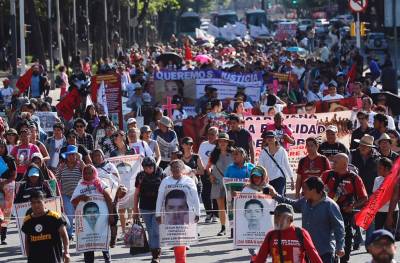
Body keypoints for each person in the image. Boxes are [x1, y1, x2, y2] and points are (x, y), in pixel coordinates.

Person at [269, 176, 345, 262]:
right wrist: (275, 196)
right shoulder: (304, 201)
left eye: (305, 189)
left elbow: (339, 228)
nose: (302, 192)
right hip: (306, 251)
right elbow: (292, 205)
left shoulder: (330, 205)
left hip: (324, 253)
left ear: (314, 190)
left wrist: (340, 247)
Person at [321, 153, 368, 263]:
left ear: (344, 164)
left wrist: (353, 206)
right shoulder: (326, 175)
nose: (333, 163)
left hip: (345, 215)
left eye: (336, 162)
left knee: (345, 241)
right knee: (327, 241)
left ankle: (344, 259)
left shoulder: (354, 178)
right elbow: (316, 191)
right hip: (327, 212)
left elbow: (364, 198)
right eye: (333, 161)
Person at [156, 160, 200, 263]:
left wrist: (197, 213)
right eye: (173, 167)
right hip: (169, 216)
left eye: (178, 167)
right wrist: (158, 214)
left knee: (181, 241)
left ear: (183, 169)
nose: (176, 169)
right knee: (176, 242)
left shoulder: (189, 181)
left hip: (186, 215)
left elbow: (195, 197)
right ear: (170, 170)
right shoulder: (165, 181)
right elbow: (160, 198)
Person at [71, 164, 114, 263]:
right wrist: (80, 198)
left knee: (102, 239)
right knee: (88, 243)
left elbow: (109, 199)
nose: (88, 175)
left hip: (101, 219)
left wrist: (111, 214)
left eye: (90, 172)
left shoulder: (100, 183)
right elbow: (73, 202)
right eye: (85, 173)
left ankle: (108, 260)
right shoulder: (80, 186)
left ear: (94, 172)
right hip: (86, 222)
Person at [254, 203, 323, 263]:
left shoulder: (301, 233)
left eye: (279, 216)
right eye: (275, 215)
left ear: (290, 218)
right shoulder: (271, 234)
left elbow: (313, 255)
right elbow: (260, 257)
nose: (276, 219)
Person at [22, 190, 70, 263]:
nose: (36, 205)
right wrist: (29, 257)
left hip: (53, 259)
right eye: (33, 203)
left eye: (38, 202)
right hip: (35, 259)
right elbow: (27, 241)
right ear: (30, 204)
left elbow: (64, 235)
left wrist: (66, 252)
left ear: (44, 201)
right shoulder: (27, 220)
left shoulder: (55, 217)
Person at [133, 156, 166, 263]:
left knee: (155, 231)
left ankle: (156, 255)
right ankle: (154, 254)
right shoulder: (140, 176)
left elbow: (166, 192)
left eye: (150, 166)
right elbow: (136, 194)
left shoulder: (161, 174)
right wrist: (135, 210)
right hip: (145, 207)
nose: (148, 169)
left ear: (154, 165)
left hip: (158, 208)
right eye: (145, 167)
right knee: (150, 231)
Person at [206, 132, 234, 236]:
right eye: (220, 141)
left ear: (228, 143)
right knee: (221, 206)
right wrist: (210, 175)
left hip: (231, 182)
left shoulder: (233, 153)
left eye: (224, 141)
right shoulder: (214, 154)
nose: (222, 143)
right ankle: (223, 228)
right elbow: (208, 167)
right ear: (218, 142)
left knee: (231, 206)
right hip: (217, 181)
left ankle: (232, 228)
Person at [56, 145, 85, 240]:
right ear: (66, 156)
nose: (71, 157)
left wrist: (81, 161)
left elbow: (87, 173)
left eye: (73, 155)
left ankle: (82, 233)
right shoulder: (62, 166)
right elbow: (56, 178)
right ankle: (69, 233)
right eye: (69, 155)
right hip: (66, 194)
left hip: (79, 195)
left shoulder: (80, 165)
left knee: (80, 214)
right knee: (69, 214)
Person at [258, 131, 294, 195]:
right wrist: (260, 180)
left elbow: (287, 165)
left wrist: (292, 179)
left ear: (275, 138)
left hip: (280, 178)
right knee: (267, 200)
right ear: (265, 139)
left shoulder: (282, 151)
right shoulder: (263, 152)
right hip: (267, 180)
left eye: (271, 137)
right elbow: (260, 167)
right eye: (268, 137)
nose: (269, 139)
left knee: (279, 199)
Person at [198, 127, 218, 223]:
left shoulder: (219, 145)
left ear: (217, 135)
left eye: (213, 134)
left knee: (216, 193)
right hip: (205, 171)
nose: (210, 136)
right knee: (205, 193)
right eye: (209, 134)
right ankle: (208, 213)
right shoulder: (203, 144)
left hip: (216, 172)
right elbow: (199, 158)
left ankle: (216, 214)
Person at [372, 158, 398, 231]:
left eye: (379, 167)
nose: (377, 169)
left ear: (386, 168)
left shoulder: (396, 180)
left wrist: (390, 216)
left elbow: (395, 198)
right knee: (378, 236)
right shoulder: (377, 179)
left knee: (389, 237)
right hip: (379, 212)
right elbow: (375, 196)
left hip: (392, 212)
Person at [0, 139, 16, 245]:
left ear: (5, 147)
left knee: (6, 212)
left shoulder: (10, 159)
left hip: (8, 186)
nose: (0, 149)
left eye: (2, 146)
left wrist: (6, 181)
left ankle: (3, 236)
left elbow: (14, 175)